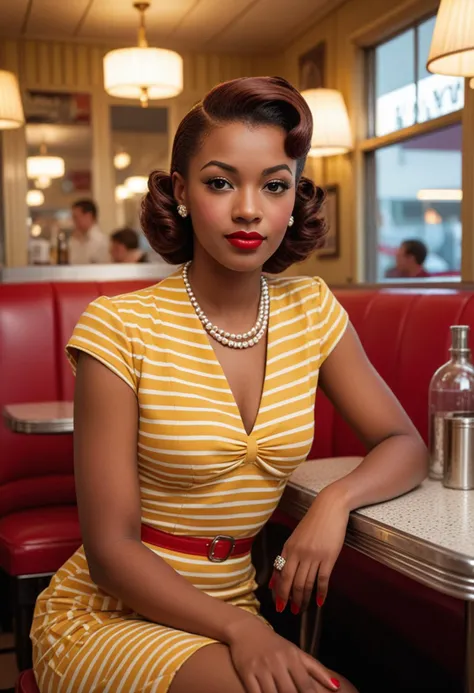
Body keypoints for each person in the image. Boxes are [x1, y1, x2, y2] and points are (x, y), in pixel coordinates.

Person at [31, 76, 428, 693]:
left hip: (231, 610)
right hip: (108, 616)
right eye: (221, 182)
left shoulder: (312, 310)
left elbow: (404, 443)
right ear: (181, 192)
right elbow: (110, 551)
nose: (250, 208)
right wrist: (247, 633)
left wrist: (333, 502)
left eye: (274, 185)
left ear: (294, 197)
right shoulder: (119, 325)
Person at [69, 199, 110, 264]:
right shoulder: (75, 239)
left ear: (88, 216)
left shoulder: (102, 242)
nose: (73, 221)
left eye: (76, 217)